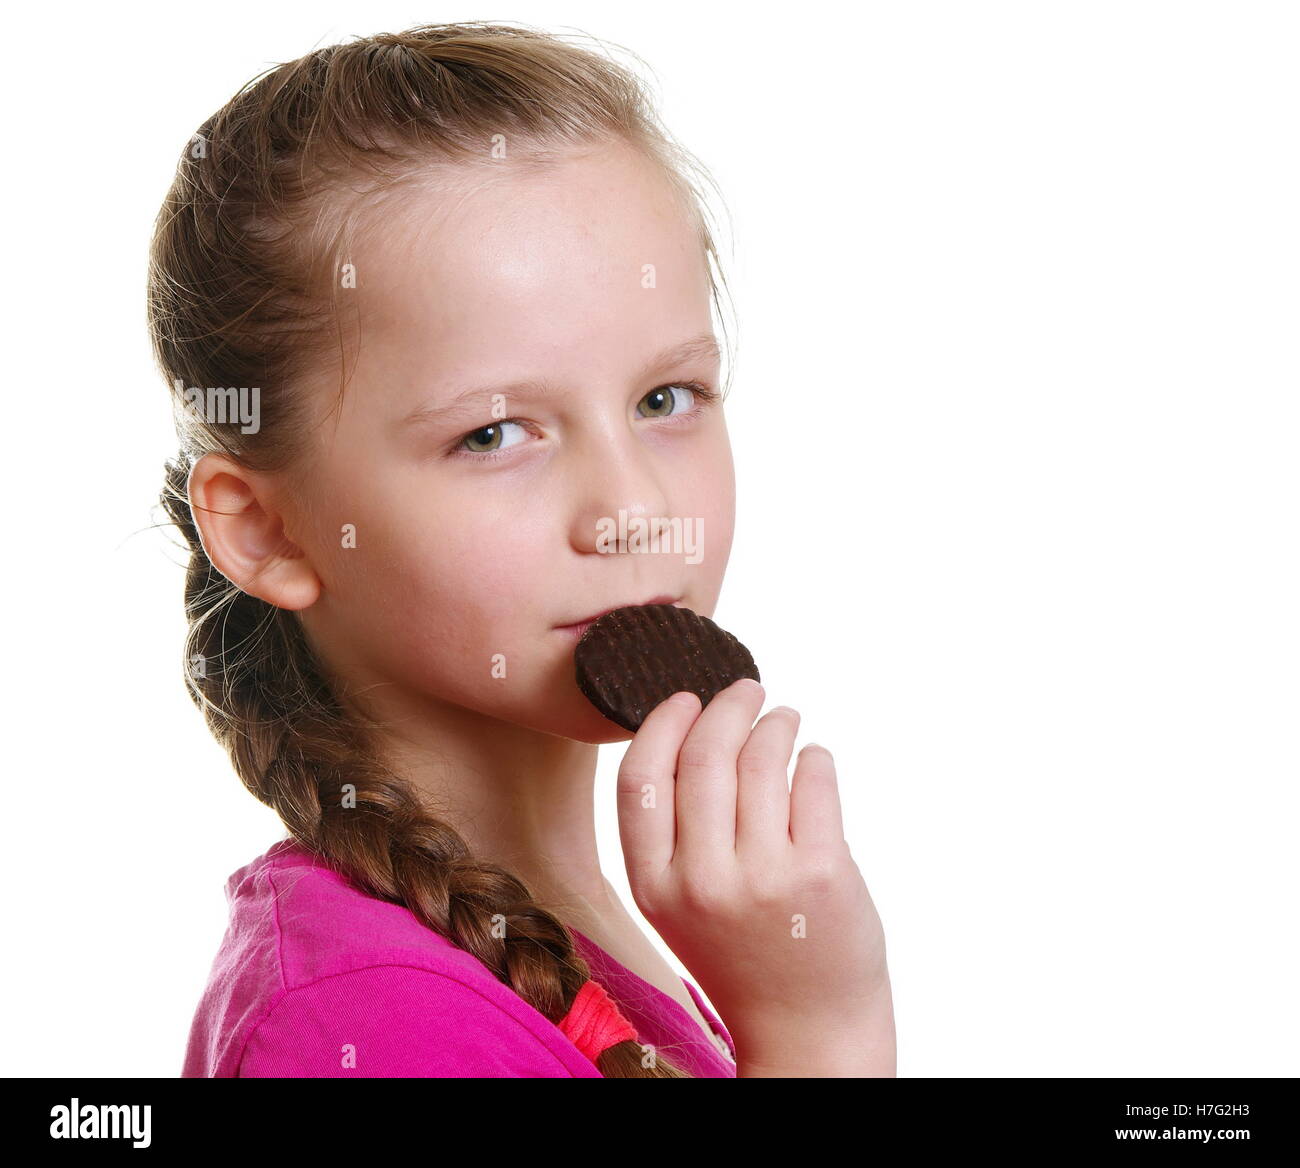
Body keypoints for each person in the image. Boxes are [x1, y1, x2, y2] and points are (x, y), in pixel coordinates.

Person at [153, 19, 894, 1078]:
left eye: (663, 398)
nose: (631, 507)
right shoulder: (368, 1020)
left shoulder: (625, 940)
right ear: (266, 528)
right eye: (494, 434)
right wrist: (824, 1034)